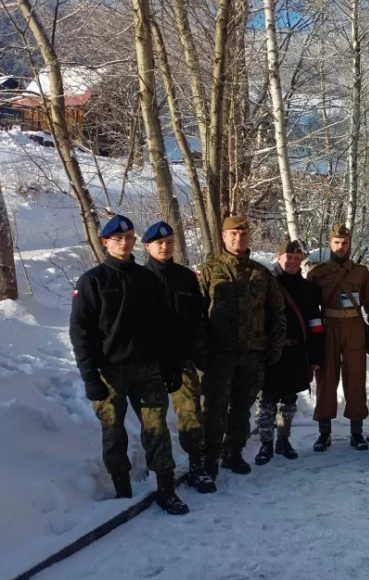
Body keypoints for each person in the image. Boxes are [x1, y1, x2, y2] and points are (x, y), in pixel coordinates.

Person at [69, 215, 188, 515]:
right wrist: (90, 377)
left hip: (148, 369)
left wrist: (171, 366)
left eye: (129, 237)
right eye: (118, 238)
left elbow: (164, 327)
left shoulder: (147, 279)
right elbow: (81, 333)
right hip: (109, 372)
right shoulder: (93, 281)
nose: (124, 242)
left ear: (135, 241)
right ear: (105, 242)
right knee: (113, 432)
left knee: (157, 429)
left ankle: (166, 488)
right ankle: (122, 489)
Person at [198, 217, 286, 478]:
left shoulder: (261, 274)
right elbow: (197, 314)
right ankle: (209, 459)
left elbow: (277, 312)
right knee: (214, 409)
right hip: (218, 355)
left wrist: (275, 346)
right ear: (224, 237)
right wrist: (201, 351)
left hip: (252, 355)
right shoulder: (210, 270)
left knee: (241, 408)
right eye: (233, 234)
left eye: (243, 234)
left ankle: (233, 453)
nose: (238, 239)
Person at [142, 221, 216, 494]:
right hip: (151, 363)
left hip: (183, 360)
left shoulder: (186, 277)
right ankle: (162, 477)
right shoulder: (139, 278)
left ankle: (197, 466)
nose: (165, 247)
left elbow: (199, 319)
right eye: (159, 243)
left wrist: (201, 354)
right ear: (147, 246)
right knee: (154, 421)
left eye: (169, 242)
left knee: (191, 415)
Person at [308, 223, 369, 451]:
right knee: (326, 380)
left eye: (345, 243)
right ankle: (324, 433)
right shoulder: (318, 273)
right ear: (330, 243)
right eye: (337, 243)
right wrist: (313, 337)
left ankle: (356, 433)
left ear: (350, 244)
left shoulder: (361, 272)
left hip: (354, 328)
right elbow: (310, 309)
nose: (341, 247)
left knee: (356, 379)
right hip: (328, 327)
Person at [256, 239, 325, 465]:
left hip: (296, 352)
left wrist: (315, 355)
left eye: (297, 258)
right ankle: (265, 444)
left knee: (288, 400)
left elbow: (315, 323)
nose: (293, 262)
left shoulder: (309, 289)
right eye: (289, 258)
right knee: (267, 400)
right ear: (279, 258)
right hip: (271, 352)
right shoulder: (266, 285)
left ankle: (283, 440)